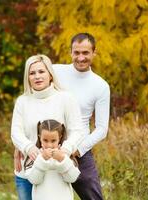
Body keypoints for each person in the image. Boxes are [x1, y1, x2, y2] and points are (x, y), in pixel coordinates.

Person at [11, 54, 84, 200]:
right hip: (29, 171)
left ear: (50, 75)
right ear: (28, 78)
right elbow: (16, 132)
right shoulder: (22, 101)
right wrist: (28, 148)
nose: (37, 76)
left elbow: (77, 130)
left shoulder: (66, 98)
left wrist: (65, 150)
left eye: (41, 72)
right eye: (32, 73)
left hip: (55, 172)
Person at [52, 32, 110, 200]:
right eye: (76, 52)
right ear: (71, 52)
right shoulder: (55, 72)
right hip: (50, 147)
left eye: (85, 53)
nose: (81, 57)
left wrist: (77, 150)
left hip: (79, 152)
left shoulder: (100, 86)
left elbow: (101, 129)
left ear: (94, 53)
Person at [25, 119, 80, 200]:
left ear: (60, 137)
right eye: (45, 140)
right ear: (40, 137)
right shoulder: (35, 155)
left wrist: (62, 159)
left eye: (53, 141)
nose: (49, 145)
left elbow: (72, 178)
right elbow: (34, 180)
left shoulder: (65, 155)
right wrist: (42, 159)